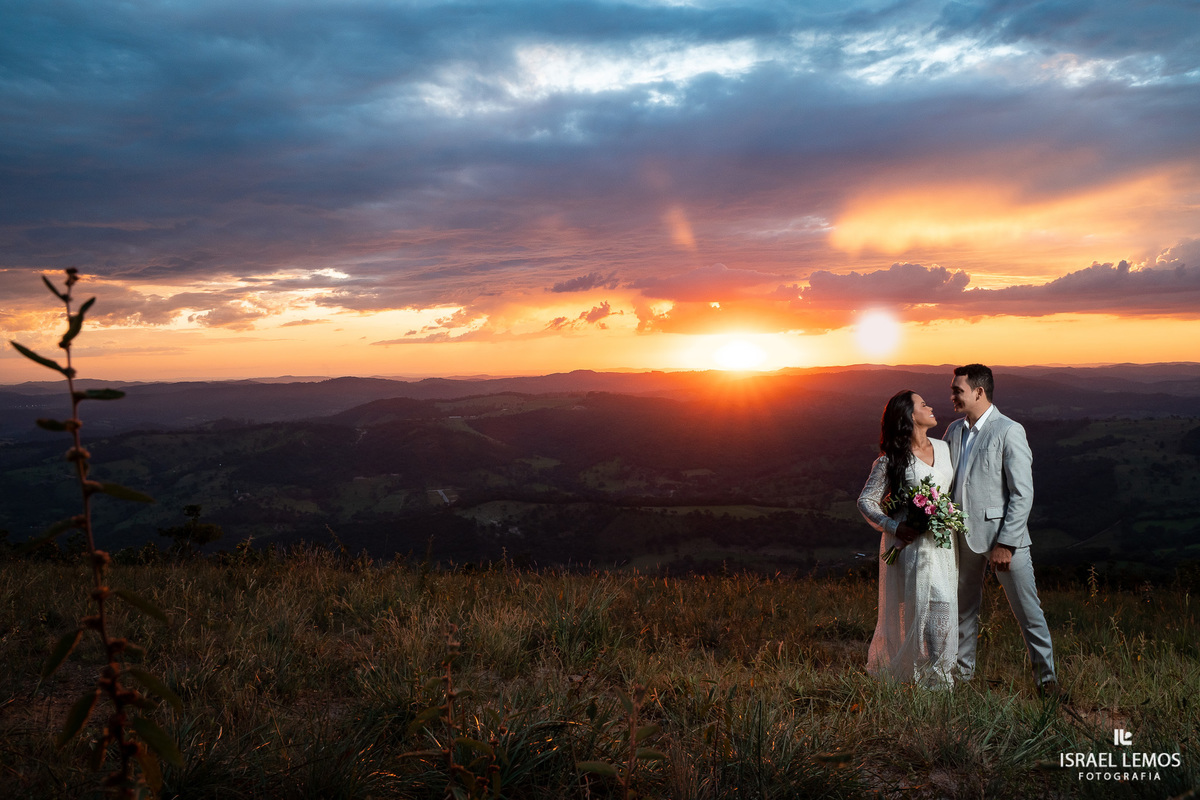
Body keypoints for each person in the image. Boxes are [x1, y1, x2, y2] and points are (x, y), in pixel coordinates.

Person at [947, 364, 1059, 696]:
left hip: (1003, 540)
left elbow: (1023, 493)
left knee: (1028, 611)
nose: (952, 395)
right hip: (962, 538)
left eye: (958, 390)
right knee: (963, 610)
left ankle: (1046, 682)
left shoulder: (1009, 431)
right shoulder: (954, 430)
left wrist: (1007, 543)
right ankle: (962, 680)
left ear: (979, 392)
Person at [858, 390, 957, 687]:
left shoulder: (944, 447)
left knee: (944, 604)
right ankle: (928, 680)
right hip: (911, 546)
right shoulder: (891, 460)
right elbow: (866, 501)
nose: (931, 407)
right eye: (924, 404)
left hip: (942, 544)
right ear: (910, 416)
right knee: (924, 606)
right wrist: (894, 527)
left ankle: (937, 678)